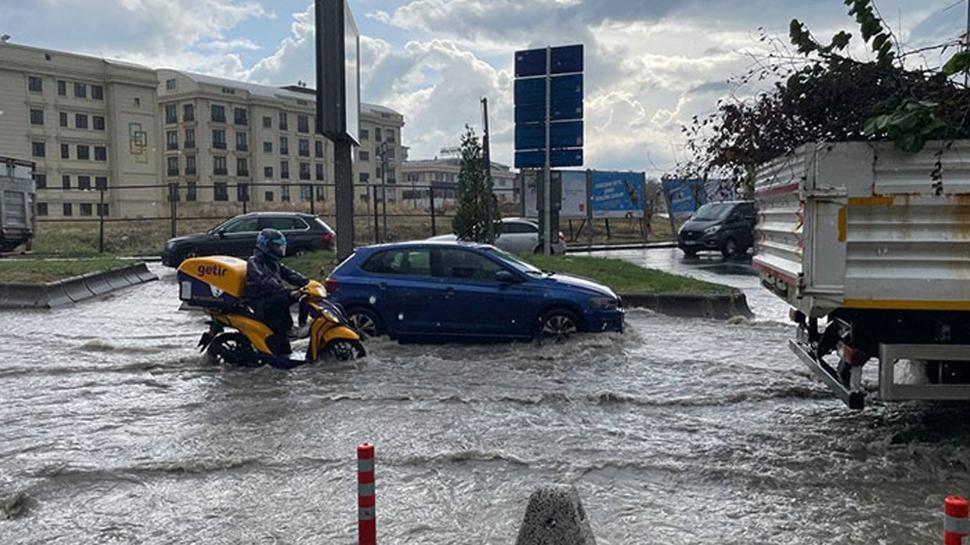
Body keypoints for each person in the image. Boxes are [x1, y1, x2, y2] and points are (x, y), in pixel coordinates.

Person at [245, 228, 309, 356]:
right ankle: (287, 330)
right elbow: (264, 280)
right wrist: (288, 292)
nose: (280, 250)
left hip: (273, 297)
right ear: (266, 246)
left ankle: (302, 325)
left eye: (281, 247)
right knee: (283, 299)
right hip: (261, 301)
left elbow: (290, 274)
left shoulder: (274, 262)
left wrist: (307, 282)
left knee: (305, 296)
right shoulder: (254, 262)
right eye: (277, 247)